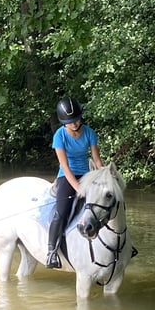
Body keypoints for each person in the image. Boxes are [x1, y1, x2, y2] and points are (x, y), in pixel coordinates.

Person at [46, 96, 104, 269]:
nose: (75, 124)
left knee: (103, 204)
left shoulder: (89, 132)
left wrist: (104, 176)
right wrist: (78, 188)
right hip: (67, 176)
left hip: (87, 174)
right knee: (61, 211)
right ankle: (51, 252)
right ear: (64, 122)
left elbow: (97, 159)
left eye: (76, 120)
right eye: (70, 122)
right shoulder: (59, 136)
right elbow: (64, 165)